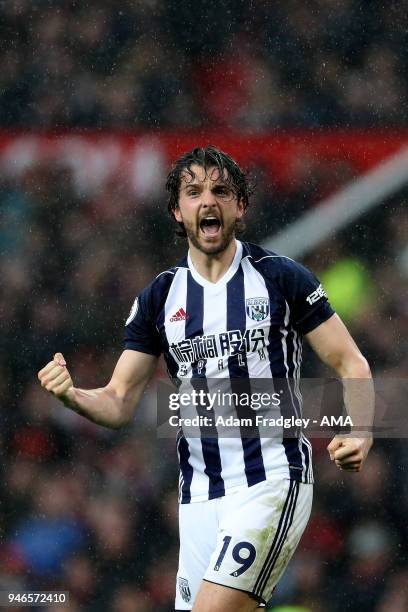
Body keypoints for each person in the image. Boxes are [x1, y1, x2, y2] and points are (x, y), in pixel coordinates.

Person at [38, 146, 373, 612]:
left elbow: (350, 362)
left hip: (270, 480)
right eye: (194, 192)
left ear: (240, 206)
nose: (208, 201)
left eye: (221, 190)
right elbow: (118, 400)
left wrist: (362, 433)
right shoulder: (160, 297)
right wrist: (72, 394)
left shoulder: (280, 279)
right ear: (178, 210)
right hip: (197, 498)